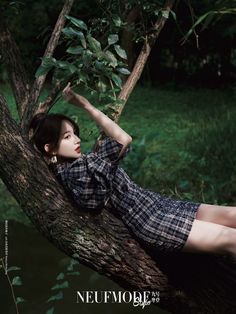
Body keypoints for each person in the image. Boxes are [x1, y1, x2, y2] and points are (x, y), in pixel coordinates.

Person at [29, 83, 236, 258]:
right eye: (67, 137)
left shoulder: (82, 163)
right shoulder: (76, 172)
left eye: (75, 134)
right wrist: (86, 106)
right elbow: (123, 139)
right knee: (230, 238)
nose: (77, 139)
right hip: (151, 220)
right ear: (49, 148)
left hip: (158, 205)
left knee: (232, 215)